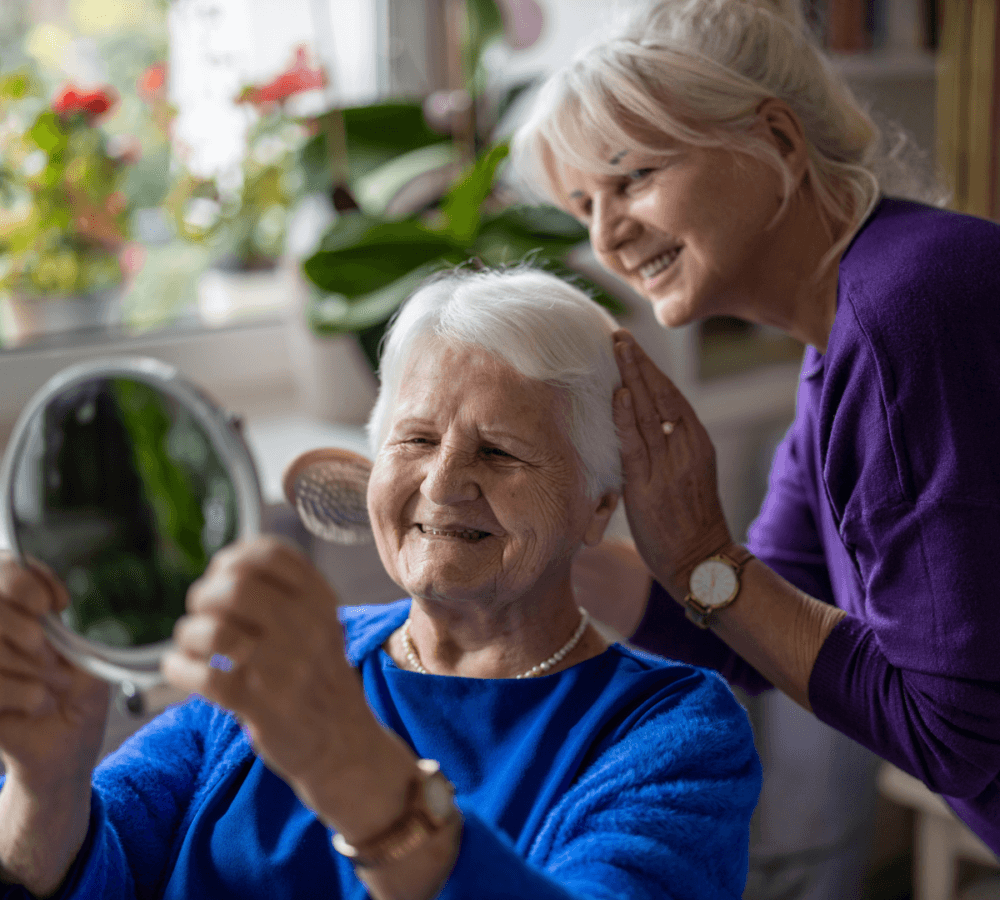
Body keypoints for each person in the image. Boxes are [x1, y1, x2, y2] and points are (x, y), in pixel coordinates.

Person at [0, 266, 760, 900]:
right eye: (417, 439)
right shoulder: (288, 657)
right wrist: (46, 787)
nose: (443, 483)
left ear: (598, 505)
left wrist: (347, 766)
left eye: (499, 451)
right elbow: (101, 868)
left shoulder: (672, 736)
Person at [511, 0, 1000, 857]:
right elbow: (747, 623)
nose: (606, 235)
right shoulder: (845, 341)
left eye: (631, 178)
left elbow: (955, 733)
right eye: (583, 204)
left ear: (776, 138)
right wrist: (544, 543)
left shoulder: (909, 314)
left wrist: (704, 552)